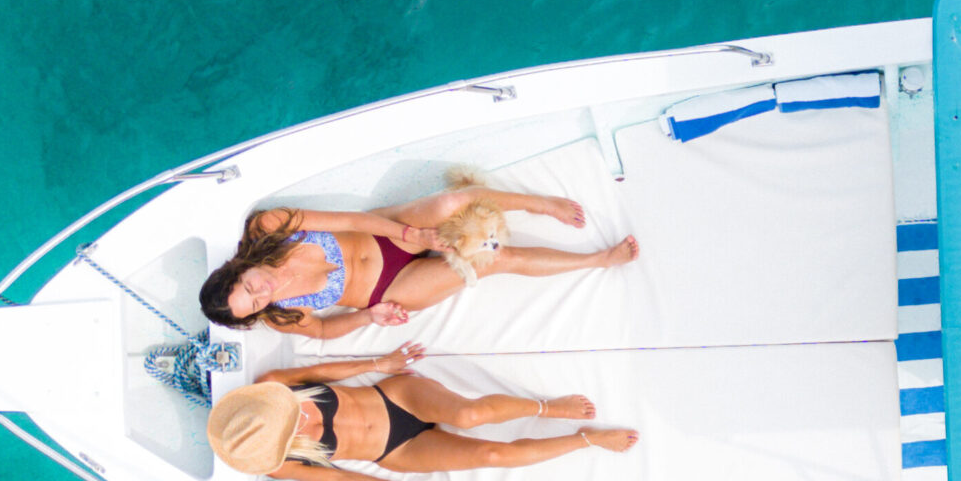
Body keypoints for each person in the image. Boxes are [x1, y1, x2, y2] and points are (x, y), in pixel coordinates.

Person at [206, 344, 638, 481]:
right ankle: (588, 439)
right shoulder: (280, 465)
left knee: (468, 416)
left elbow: (321, 369)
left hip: (397, 397)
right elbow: (336, 477)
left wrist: (380, 364)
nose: (297, 423)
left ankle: (546, 407)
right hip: (396, 451)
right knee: (492, 457)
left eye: (287, 417)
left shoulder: (272, 383)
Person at [198, 182, 637, 340]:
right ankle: (598, 260)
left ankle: (540, 204)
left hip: (380, 231)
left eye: (250, 288)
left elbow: (348, 218)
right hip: (390, 287)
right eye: (256, 305)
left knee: (452, 203)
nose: (265, 294)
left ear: (236, 269)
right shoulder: (280, 316)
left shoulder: (267, 227)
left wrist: (411, 234)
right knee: (489, 260)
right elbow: (326, 330)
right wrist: (371, 316)